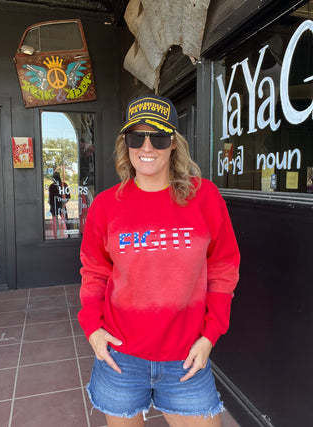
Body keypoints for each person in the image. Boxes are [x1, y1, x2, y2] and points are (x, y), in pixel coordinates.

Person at [78, 94, 240, 427]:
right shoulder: (106, 206)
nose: (147, 147)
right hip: (121, 357)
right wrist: (93, 328)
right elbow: (94, 272)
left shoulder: (204, 197)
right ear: (126, 143)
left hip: (186, 358)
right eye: (137, 136)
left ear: (174, 145)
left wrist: (211, 335)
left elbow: (223, 271)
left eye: (160, 137)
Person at [48, 171, 71, 238]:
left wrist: (51, 204)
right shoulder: (64, 185)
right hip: (62, 205)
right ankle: (68, 234)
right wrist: (64, 202)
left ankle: (55, 236)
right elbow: (68, 196)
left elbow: (50, 198)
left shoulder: (52, 186)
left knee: (55, 222)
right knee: (65, 220)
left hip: (54, 206)